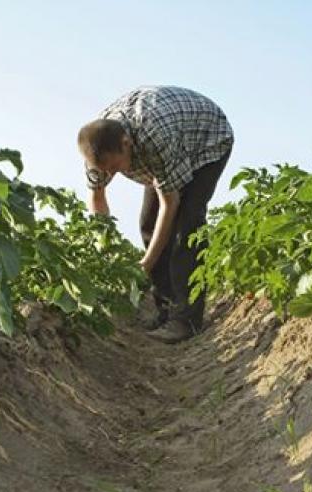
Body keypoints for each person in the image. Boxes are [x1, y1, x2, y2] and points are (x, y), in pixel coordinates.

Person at [77, 86, 234, 343]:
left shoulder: (154, 139)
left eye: (116, 167)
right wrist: (103, 249)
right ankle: (166, 309)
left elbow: (169, 204)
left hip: (206, 140)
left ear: (127, 145)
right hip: (169, 142)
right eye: (107, 171)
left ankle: (186, 320)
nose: (112, 174)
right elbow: (97, 198)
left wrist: (144, 265)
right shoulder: (96, 150)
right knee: (147, 223)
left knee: (187, 226)